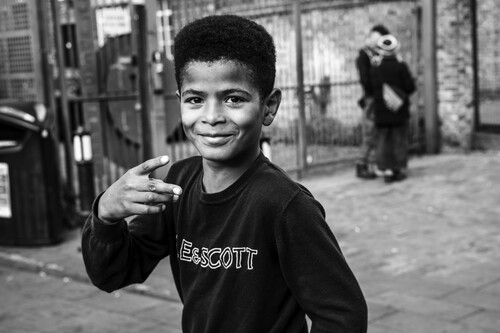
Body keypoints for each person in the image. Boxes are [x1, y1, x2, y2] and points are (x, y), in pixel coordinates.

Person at [81, 14, 367, 333]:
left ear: (269, 107)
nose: (212, 117)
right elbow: (115, 274)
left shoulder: (285, 205)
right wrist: (105, 214)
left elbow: (343, 316)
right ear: (180, 103)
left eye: (233, 99)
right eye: (195, 99)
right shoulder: (179, 183)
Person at [370, 34, 416, 183]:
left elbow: (371, 88)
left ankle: (387, 170)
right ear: (395, 49)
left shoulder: (376, 68)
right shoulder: (401, 66)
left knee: (383, 141)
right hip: (399, 111)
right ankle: (399, 169)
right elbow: (410, 87)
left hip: (381, 112)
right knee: (399, 140)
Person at [355, 24, 390, 179]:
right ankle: (361, 165)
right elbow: (365, 80)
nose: (373, 41)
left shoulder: (379, 54)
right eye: (372, 37)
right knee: (369, 132)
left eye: (377, 38)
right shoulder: (364, 55)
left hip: (379, 99)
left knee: (377, 132)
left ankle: (374, 164)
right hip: (371, 99)